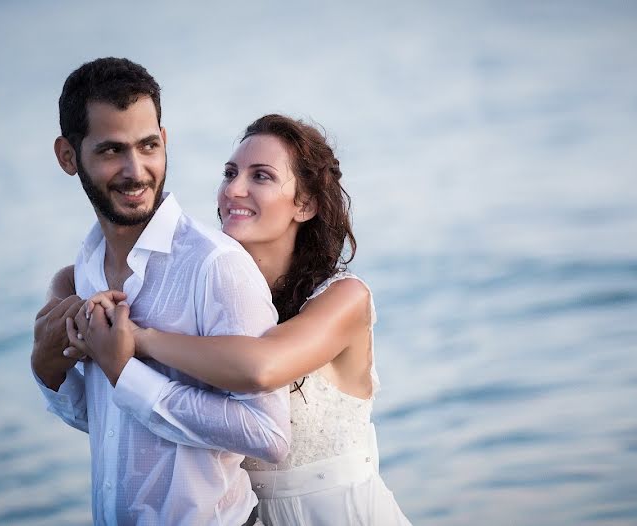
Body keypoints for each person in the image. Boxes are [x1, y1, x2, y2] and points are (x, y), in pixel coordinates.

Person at [70, 114, 412, 525]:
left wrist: (138, 341)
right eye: (230, 173)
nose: (234, 189)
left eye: (261, 176)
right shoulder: (218, 294)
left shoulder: (344, 298)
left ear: (305, 204)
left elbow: (262, 367)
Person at [31, 57, 291, 526]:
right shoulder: (86, 267)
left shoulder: (216, 266)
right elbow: (106, 420)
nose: (136, 170)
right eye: (111, 151)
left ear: (164, 141)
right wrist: (48, 371)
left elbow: (268, 434)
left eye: (148, 145)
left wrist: (126, 371)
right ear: (68, 157)